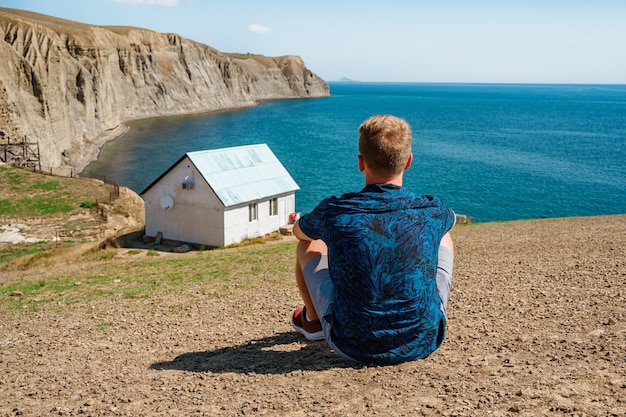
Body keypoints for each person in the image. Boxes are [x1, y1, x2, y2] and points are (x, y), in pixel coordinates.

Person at [291, 114, 456, 364]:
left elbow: (299, 232)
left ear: (361, 162)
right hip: (423, 340)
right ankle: (419, 311)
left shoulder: (336, 211)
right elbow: (450, 219)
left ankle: (313, 322)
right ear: (408, 162)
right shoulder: (431, 210)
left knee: (309, 244)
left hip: (352, 345)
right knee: (443, 234)